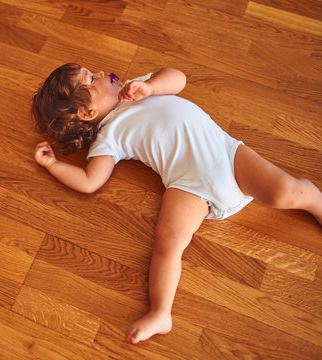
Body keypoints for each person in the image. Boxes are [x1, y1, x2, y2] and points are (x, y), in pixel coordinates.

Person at [31, 63, 322, 344]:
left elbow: (178, 78)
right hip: (188, 186)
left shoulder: (137, 88)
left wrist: (150, 85)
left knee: (283, 192)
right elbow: (90, 181)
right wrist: (52, 165)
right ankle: (160, 312)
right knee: (168, 241)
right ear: (87, 111)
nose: (101, 72)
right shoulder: (110, 137)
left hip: (227, 156)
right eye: (90, 78)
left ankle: (313, 199)